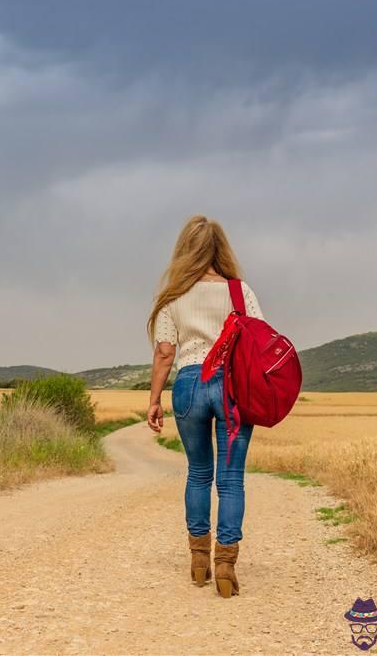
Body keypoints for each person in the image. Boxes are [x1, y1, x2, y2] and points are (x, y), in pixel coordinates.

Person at [145, 214, 264, 599]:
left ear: (184, 251)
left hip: (190, 385)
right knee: (231, 480)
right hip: (231, 388)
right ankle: (226, 565)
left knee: (198, 472)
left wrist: (154, 400)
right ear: (221, 249)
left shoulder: (174, 297)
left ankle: (199, 562)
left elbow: (165, 354)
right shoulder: (238, 291)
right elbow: (259, 341)